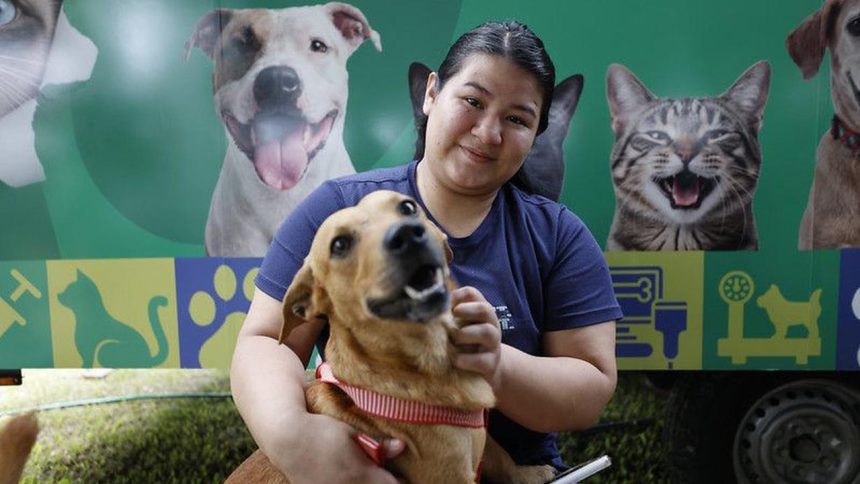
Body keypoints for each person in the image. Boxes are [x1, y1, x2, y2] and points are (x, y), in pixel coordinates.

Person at [231, 20, 621, 483]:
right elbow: (264, 341)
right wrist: (296, 440)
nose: (488, 132)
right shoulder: (336, 210)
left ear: (538, 132)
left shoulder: (558, 235)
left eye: (517, 119)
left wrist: (496, 363)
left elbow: (592, 387)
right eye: (472, 101)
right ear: (431, 93)